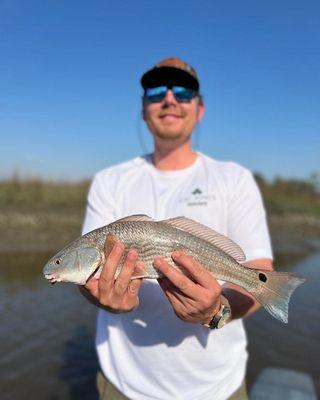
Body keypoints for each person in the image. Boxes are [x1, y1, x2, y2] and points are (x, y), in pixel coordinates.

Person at [80, 57, 273, 400]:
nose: (169, 99)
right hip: (124, 386)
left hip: (218, 387)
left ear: (199, 109)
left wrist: (217, 311)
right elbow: (89, 273)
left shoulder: (234, 178)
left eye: (183, 91)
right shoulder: (109, 181)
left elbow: (260, 273)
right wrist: (105, 298)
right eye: (156, 91)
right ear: (143, 110)